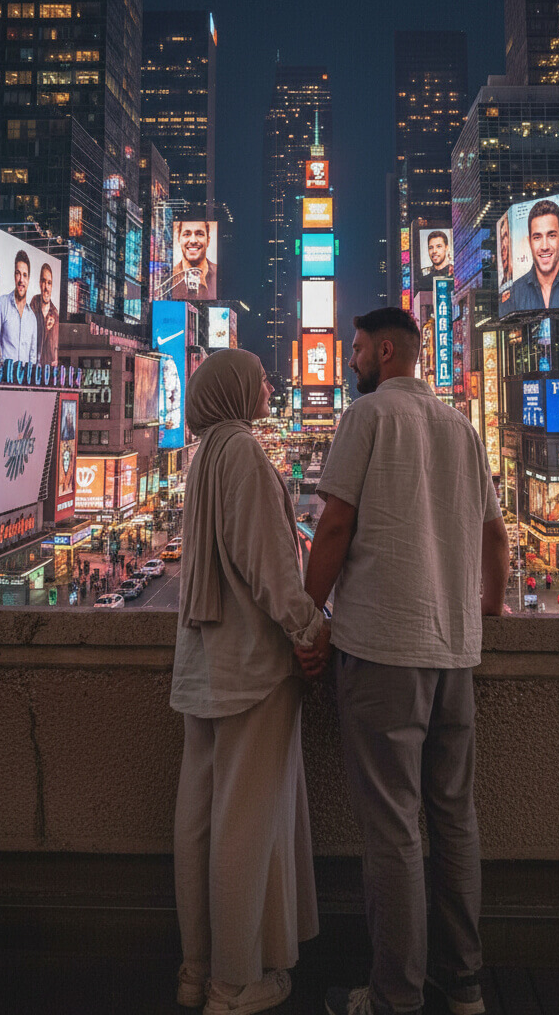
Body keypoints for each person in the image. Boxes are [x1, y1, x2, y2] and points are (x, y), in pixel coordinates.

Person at [295, 306, 509, 1015]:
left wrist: (304, 618)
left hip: (384, 651)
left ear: (386, 352)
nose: (350, 360)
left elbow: (334, 524)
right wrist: (485, 612)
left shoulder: (367, 418)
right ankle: (466, 984)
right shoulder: (461, 426)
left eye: (355, 349)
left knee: (393, 829)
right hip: (455, 656)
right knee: (455, 821)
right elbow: (494, 540)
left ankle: (395, 995)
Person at [170, 349, 329, 1015]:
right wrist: (309, 628)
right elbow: (269, 564)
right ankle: (235, 985)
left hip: (204, 664)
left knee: (200, 821)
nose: (268, 384)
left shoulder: (206, 451)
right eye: (258, 376)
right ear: (235, 391)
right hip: (250, 668)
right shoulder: (242, 452)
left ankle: (198, 967)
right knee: (244, 825)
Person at [506, 199, 559, 312]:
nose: (544, 246)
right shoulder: (515, 291)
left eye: (551, 235)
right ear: (529, 242)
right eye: (537, 237)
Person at [0, 249, 37, 364]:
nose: (21, 280)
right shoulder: (2, 304)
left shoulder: (32, 318)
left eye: (25, 275)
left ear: (28, 279)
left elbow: (33, 356)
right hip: (2, 378)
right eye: (18, 273)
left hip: (23, 380)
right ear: (14, 275)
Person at [171, 220, 218, 299]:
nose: (193, 241)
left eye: (200, 234)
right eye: (187, 234)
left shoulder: (220, 274)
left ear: (208, 240)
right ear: (179, 239)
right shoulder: (168, 278)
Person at [30, 261, 59, 366]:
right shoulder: (33, 305)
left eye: (49, 283)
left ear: (52, 286)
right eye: (43, 281)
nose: (46, 287)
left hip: (47, 372)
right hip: (32, 367)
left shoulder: (55, 315)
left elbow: (55, 348)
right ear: (39, 283)